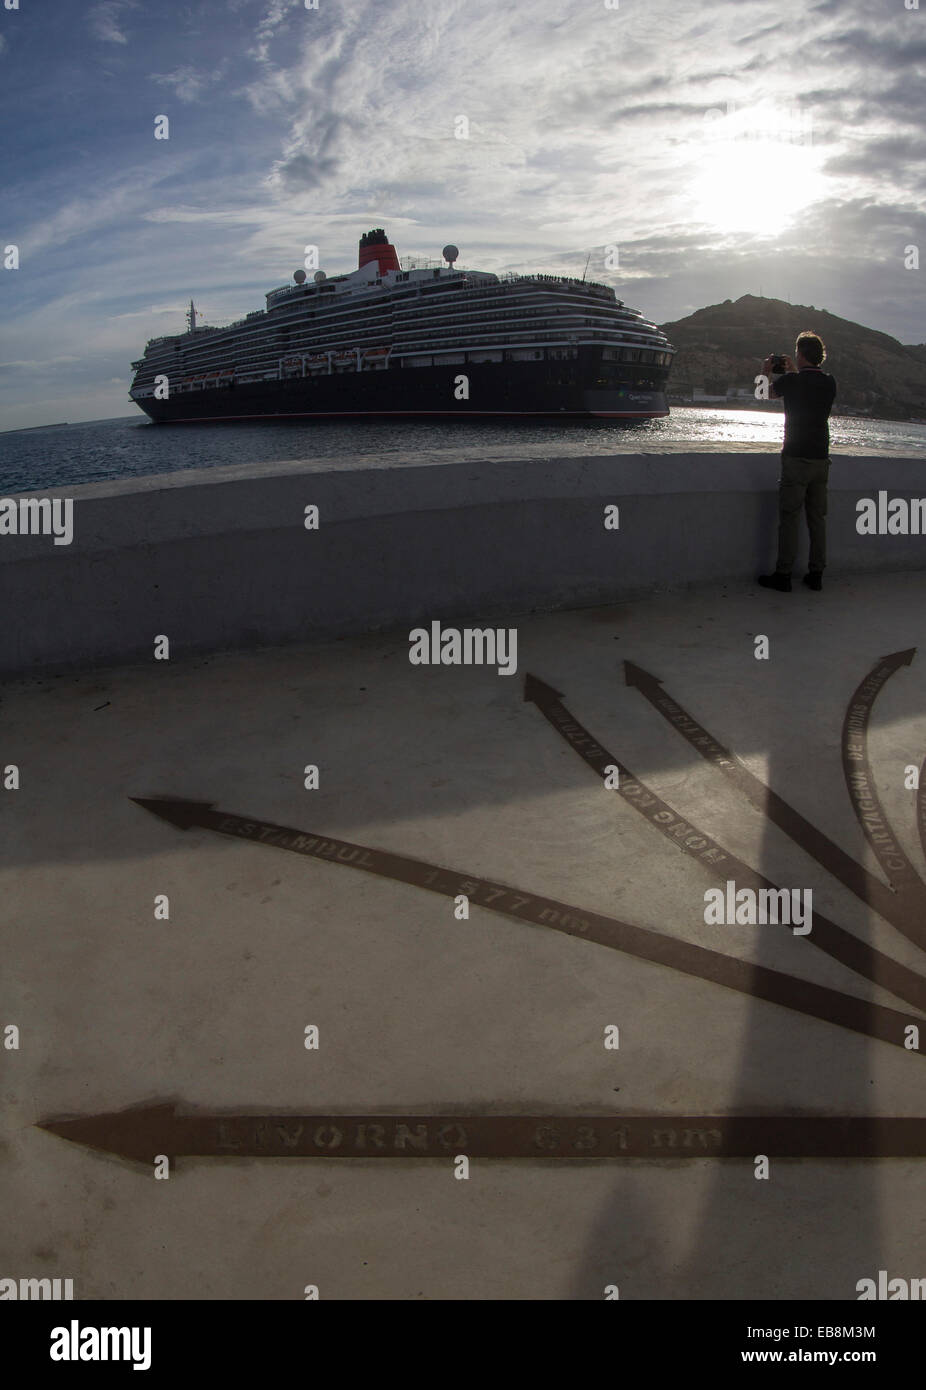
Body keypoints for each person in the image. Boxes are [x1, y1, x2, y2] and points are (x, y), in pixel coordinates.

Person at [757, 332, 837, 592]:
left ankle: (783, 574)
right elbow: (810, 385)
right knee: (817, 519)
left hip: (796, 457)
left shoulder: (791, 380)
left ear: (800, 354)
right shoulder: (829, 382)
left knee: (790, 517)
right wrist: (794, 370)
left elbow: (762, 395)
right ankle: (816, 574)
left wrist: (766, 371)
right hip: (821, 458)